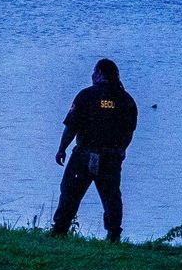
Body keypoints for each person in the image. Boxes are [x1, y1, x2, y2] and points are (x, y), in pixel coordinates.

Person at [50, 57, 140, 242]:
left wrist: (61, 149)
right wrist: (122, 150)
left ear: (99, 73)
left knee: (70, 193)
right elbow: (129, 131)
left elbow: (71, 127)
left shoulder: (86, 96)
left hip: (84, 154)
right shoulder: (126, 100)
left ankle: (59, 230)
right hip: (111, 157)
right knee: (111, 197)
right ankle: (113, 234)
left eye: (94, 72)